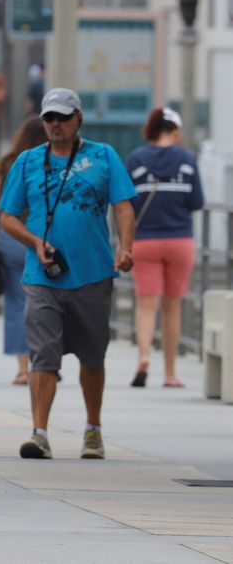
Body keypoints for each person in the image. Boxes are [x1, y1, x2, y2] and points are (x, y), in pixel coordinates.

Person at [0, 88, 136, 460]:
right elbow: (7, 216)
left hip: (93, 273)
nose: (55, 125)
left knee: (93, 356)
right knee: (43, 354)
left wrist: (125, 247)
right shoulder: (27, 162)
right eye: (49, 118)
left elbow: (123, 207)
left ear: (79, 119)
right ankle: (39, 432)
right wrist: (33, 242)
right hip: (42, 276)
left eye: (62, 117)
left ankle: (93, 429)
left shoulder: (103, 156)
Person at [126, 107, 205, 389]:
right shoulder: (187, 160)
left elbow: (127, 205)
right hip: (180, 240)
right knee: (172, 308)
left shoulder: (135, 160)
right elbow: (197, 201)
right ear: (176, 132)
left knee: (147, 306)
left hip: (145, 240)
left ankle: (144, 356)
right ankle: (170, 373)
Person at [0, 116, 47, 384]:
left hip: (13, 237)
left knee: (18, 303)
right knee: (48, 300)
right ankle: (47, 361)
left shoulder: (7, 163)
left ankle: (23, 367)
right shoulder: (50, 162)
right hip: (46, 237)